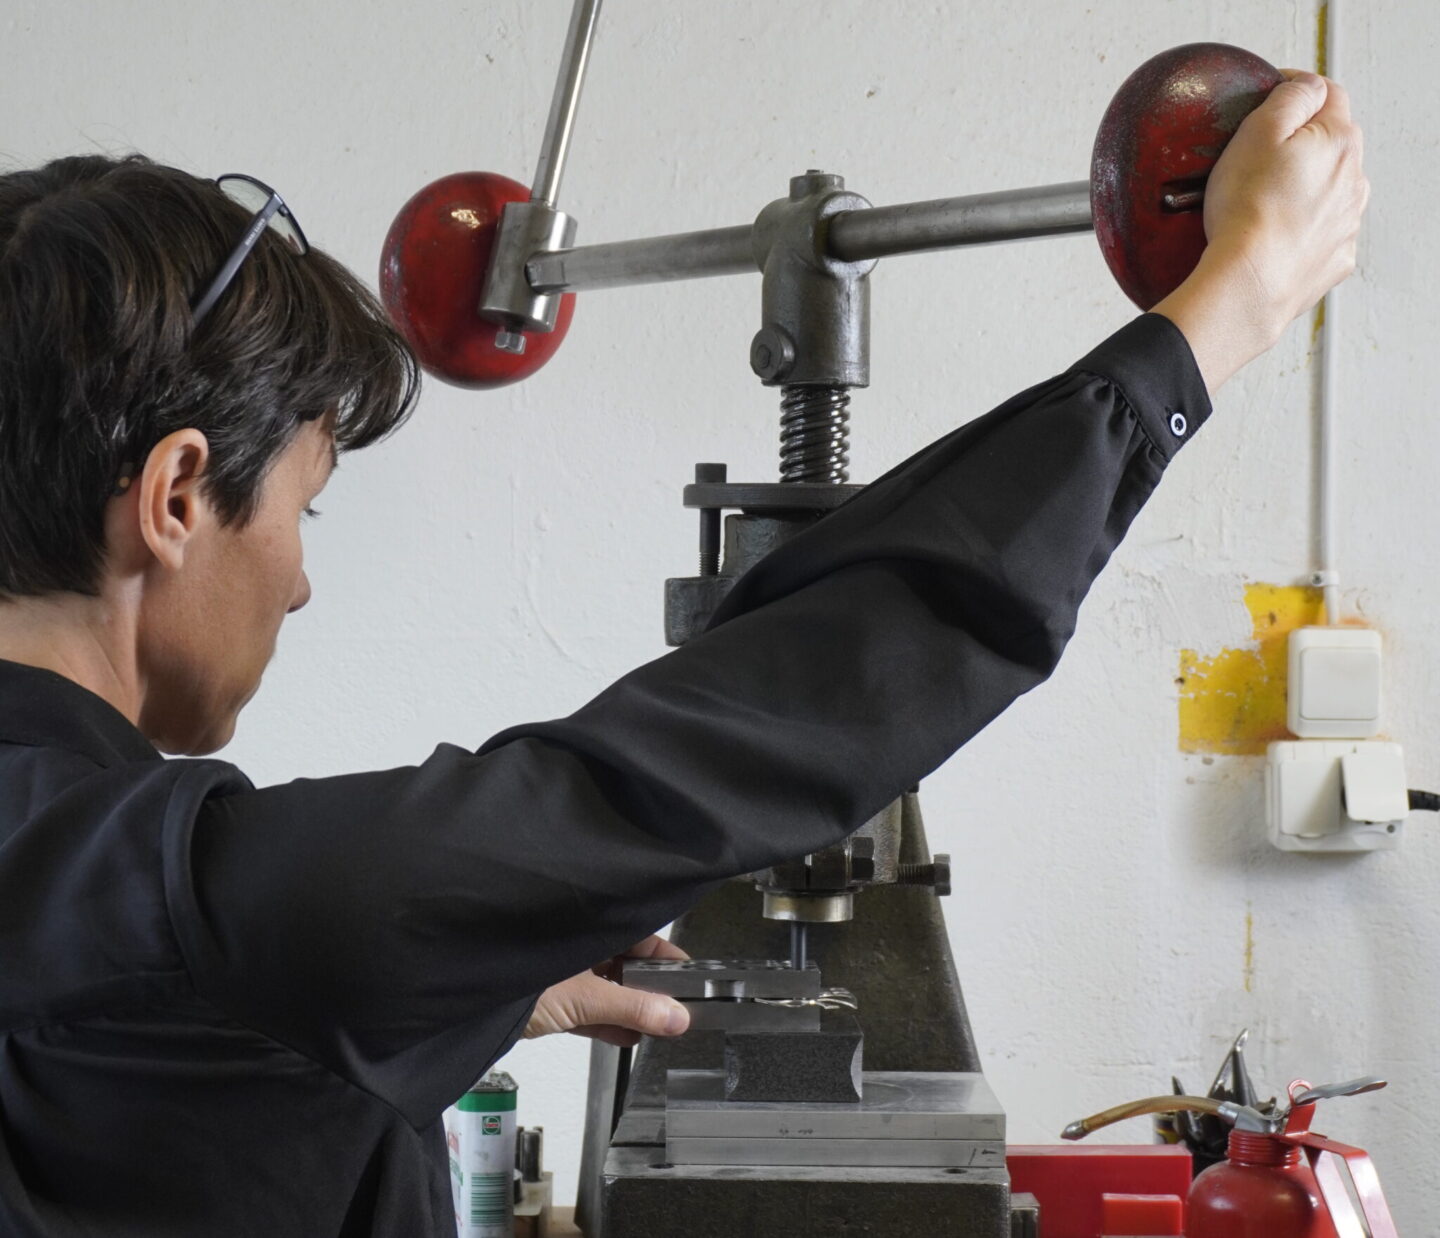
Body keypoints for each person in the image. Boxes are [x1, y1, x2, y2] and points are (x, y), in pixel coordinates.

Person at [0, 71, 1366, 1237]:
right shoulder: (190, 916)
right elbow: (743, 732)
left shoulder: (147, 923)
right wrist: (1214, 324)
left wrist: (441, 983)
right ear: (177, 497)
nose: (298, 582)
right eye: (305, 509)